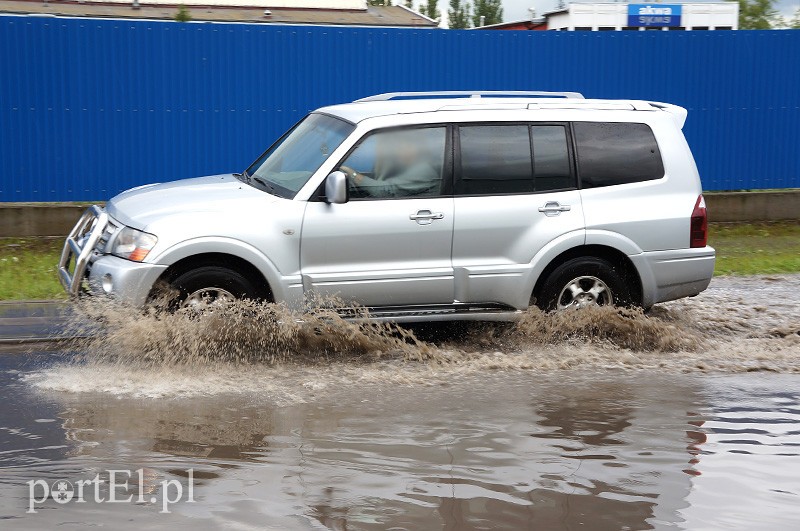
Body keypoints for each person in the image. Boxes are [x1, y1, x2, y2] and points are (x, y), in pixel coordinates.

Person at [339, 130, 441, 198]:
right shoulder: (405, 166)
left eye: (404, 146)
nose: (398, 150)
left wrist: (352, 174)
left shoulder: (422, 170)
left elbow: (384, 191)